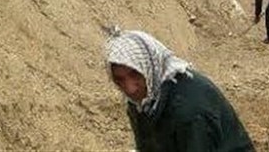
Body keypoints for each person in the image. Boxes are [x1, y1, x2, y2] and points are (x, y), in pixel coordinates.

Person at [105, 28, 255, 152]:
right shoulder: (145, 97)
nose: (129, 88)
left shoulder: (189, 111)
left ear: (149, 66)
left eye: (135, 74)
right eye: (119, 80)